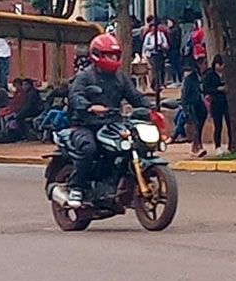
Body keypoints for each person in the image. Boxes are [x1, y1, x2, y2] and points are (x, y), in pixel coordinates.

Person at [66, 33, 151, 206]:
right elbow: (75, 96)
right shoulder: (84, 76)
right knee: (89, 149)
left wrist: (151, 108)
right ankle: (76, 187)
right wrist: (89, 106)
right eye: (107, 55)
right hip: (85, 125)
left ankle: (123, 184)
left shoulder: (121, 78)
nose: (112, 58)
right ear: (97, 54)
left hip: (112, 124)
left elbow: (135, 97)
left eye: (114, 55)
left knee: (136, 144)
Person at [203, 54, 231, 155]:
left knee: (229, 125)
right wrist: (217, 89)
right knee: (218, 126)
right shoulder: (209, 75)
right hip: (216, 103)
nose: (221, 67)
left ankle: (230, 146)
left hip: (226, 103)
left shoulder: (227, 74)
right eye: (220, 65)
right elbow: (206, 89)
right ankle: (218, 146)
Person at [181, 58, 208, 157]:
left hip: (200, 103)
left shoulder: (203, 76)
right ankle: (196, 147)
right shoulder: (190, 78)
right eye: (204, 63)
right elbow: (185, 94)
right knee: (196, 125)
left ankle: (197, 145)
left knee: (200, 125)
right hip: (191, 104)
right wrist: (185, 107)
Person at [142, 20, 170, 93]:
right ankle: (155, 85)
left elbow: (166, 44)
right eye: (152, 28)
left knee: (160, 69)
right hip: (152, 54)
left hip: (160, 53)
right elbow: (145, 46)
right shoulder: (148, 36)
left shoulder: (161, 35)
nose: (153, 29)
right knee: (154, 69)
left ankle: (160, 83)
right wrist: (152, 46)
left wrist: (161, 45)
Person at [166, 17, 183, 86]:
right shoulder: (177, 30)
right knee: (177, 65)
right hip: (176, 49)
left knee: (174, 65)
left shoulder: (172, 31)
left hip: (173, 49)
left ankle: (175, 80)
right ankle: (179, 79)